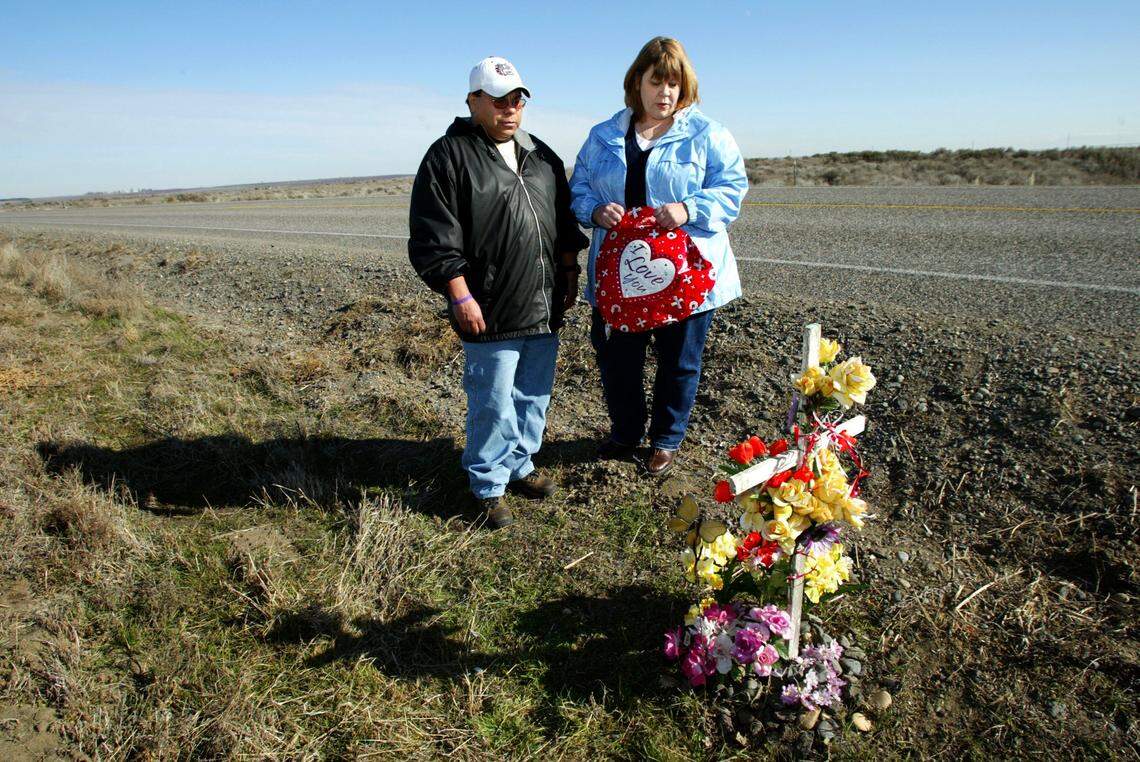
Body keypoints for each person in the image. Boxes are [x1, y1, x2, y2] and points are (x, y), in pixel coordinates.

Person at [409, 56, 588, 529]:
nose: (510, 110)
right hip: (490, 305)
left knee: (532, 396)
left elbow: (564, 221)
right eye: (498, 100)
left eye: (517, 100)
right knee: (492, 399)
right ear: (473, 101)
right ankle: (487, 483)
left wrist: (569, 270)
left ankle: (520, 465)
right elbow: (434, 235)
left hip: (543, 300)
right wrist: (459, 294)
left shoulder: (541, 154)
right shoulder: (448, 156)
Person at [569, 37, 748, 476]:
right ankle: (625, 433)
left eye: (674, 83)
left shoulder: (707, 134)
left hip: (686, 275)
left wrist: (690, 209)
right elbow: (579, 188)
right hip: (620, 274)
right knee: (617, 361)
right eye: (656, 82)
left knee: (679, 362)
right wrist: (594, 208)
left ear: (684, 87)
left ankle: (665, 441)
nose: (665, 93)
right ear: (637, 83)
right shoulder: (604, 136)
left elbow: (732, 189)